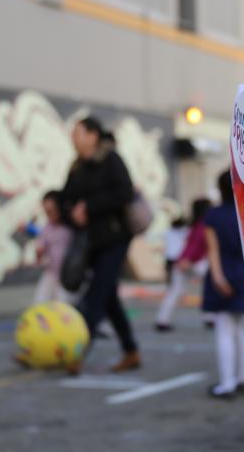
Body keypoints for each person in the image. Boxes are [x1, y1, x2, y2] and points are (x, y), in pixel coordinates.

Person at [61, 116, 140, 373]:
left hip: (114, 239)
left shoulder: (110, 159)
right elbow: (66, 198)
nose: (74, 138)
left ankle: (77, 352)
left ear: (93, 135)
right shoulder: (77, 167)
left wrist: (90, 207)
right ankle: (131, 350)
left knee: (96, 294)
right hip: (90, 242)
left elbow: (124, 193)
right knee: (108, 297)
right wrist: (71, 211)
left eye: (79, 133)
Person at [203, 171, 244, 399]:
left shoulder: (212, 216)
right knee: (240, 328)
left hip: (224, 272)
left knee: (224, 330)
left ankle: (227, 384)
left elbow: (213, 251)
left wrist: (218, 278)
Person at [155, 198, 212, 331]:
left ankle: (162, 320)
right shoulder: (203, 225)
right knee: (210, 286)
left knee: (175, 291)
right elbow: (196, 247)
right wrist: (188, 259)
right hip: (192, 262)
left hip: (185, 260)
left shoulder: (195, 225)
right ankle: (210, 317)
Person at [33, 190, 73, 304]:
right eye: (46, 212)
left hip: (66, 277)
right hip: (51, 274)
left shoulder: (70, 228)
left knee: (63, 305)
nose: (49, 215)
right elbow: (41, 246)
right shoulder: (47, 228)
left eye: (52, 211)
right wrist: (39, 252)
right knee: (39, 303)